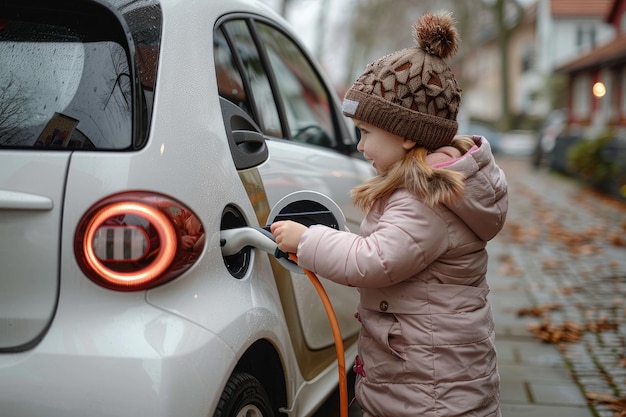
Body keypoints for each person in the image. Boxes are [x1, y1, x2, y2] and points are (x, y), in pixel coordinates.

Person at [271, 10, 507, 417]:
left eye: (365, 133)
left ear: (404, 134)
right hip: (431, 375)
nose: (359, 146)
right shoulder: (431, 186)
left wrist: (307, 239)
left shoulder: (425, 197)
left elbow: (373, 260)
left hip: (429, 393)